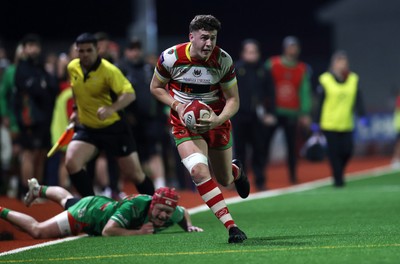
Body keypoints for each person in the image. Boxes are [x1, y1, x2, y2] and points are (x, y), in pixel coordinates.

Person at [150, 14, 249, 243]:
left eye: (213, 38)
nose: (209, 43)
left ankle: (236, 171)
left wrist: (217, 119)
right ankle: (232, 227)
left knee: (224, 179)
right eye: (204, 38)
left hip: (216, 121)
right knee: (198, 171)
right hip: (184, 124)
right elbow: (155, 87)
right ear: (191, 37)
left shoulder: (223, 60)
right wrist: (178, 106)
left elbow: (233, 100)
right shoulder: (170, 57)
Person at [65, 33, 155, 197]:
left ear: (97, 49)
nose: (84, 55)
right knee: (71, 162)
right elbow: (75, 88)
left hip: (113, 128)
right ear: (76, 51)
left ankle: (160, 207)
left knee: (134, 174)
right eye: (81, 51)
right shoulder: (72, 67)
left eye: (88, 50)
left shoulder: (109, 70)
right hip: (88, 129)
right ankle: (91, 206)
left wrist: (111, 108)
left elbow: (129, 94)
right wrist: (76, 110)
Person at [0, 178, 203, 238]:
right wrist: (137, 232)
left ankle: (40, 189)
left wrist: (189, 226)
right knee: (37, 230)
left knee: (68, 200)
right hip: (87, 215)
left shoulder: (169, 210)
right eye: (160, 210)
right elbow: (108, 231)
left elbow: (183, 212)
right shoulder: (134, 206)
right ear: (152, 203)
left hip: (98, 204)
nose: (163, 215)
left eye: (167, 212)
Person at [117, 38, 167, 189]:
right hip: (130, 121)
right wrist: (125, 115)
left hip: (151, 121)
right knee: (128, 154)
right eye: (132, 49)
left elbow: (160, 91)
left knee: (154, 152)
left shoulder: (149, 68)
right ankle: (120, 187)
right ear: (126, 51)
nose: (135, 52)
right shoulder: (121, 69)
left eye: (137, 48)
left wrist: (160, 116)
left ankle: (160, 185)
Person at [13, 34, 58, 196]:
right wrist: (43, 86)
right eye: (29, 45)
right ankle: (27, 191)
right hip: (29, 119)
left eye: (35, 45)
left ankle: (36, 192)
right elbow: (35, 90)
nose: (33, 49)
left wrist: (44, 86)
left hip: (45, 118)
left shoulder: (40, 68)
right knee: (29, 153)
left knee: (41, 154)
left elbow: (53, 86)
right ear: (24, 49)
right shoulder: (22, 68)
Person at [313, 50, 366, 187]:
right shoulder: (325, 79)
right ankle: (338, 179)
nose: (342, 65)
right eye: (339, 62)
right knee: (334, 153)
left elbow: (358, 99)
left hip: (346, 123)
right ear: (333, 64)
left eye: (344, 62)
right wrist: (316, 121)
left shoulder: (353, 79)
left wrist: (362, 115)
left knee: (347, 151)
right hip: (329, 123)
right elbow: (319, 103)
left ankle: (339, 172)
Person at [264, 36, 312, 184]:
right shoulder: (272, 64)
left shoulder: (302, 68)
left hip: (291, 113)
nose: (293, 49)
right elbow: (264, 86)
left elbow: (304, 91)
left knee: (292, 147)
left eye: (295, 46)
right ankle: (260, 177)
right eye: (290, 46)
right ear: (285, 48)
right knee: (264, 145)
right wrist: (264, 110)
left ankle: (292, 176)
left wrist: (305, 113)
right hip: (273, 112)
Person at [232, 39, 275, 191]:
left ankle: (260, 181)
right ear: (243, 53)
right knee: (240, 151)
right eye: (249, 52)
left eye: (254, 52)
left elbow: (271, 93)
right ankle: (239, 182)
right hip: (239, 116)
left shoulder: (264, 70)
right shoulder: (236, 69)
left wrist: (270, 113)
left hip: (258, 117)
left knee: (259, 149)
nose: (252, 55)